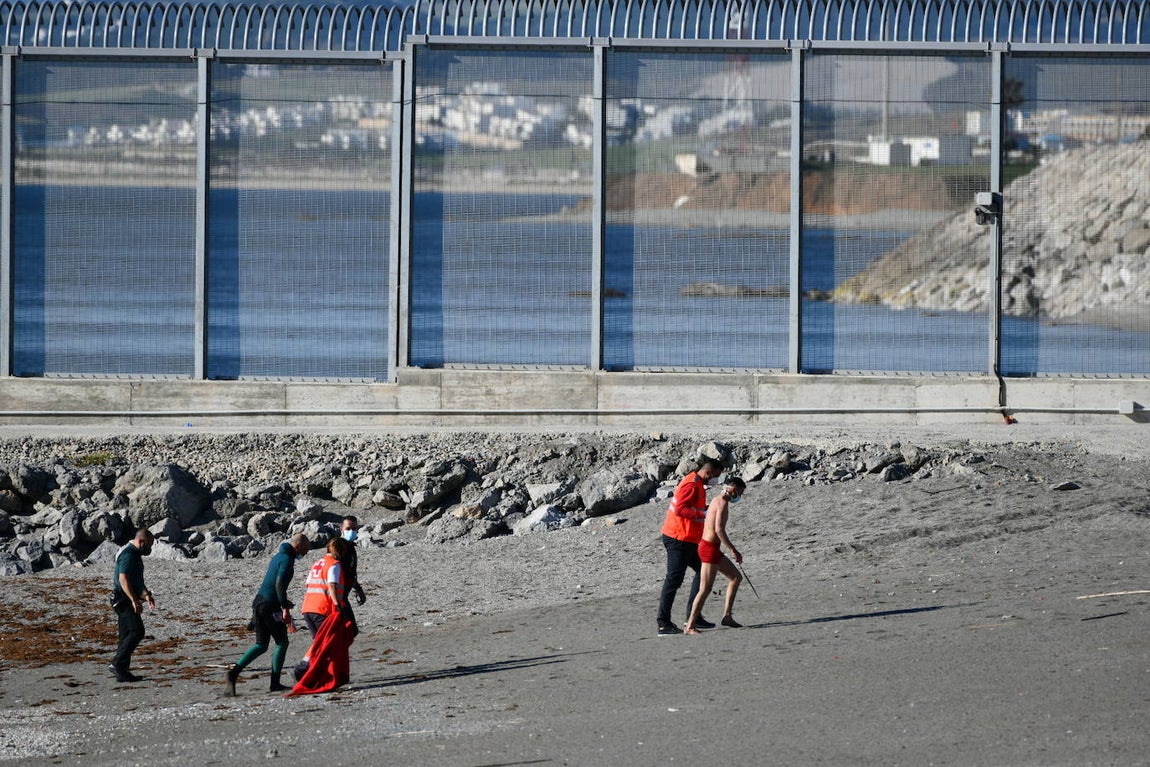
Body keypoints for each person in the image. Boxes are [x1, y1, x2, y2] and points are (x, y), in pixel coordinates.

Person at [225, 533, 310, 696]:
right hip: (269, 606)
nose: (306, 553)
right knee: (282, 642)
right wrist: (284, 605)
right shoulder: (287, 559)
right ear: (298, 546)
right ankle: (275, 683)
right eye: (305, 549)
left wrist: (284, 601)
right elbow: (279, 584)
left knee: (261, 645)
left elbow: (273, 585)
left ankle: (233, 673)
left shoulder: (278, 556)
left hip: (259, 602)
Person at [657, 458, 722, 636]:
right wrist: (705, 513)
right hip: (678, 538)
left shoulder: (696, 482)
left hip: (688, 539)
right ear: (708, 472)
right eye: (716, 476)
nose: (716, 480)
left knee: (702, 571)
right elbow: (680, 509)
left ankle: (693, 616)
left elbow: (694, 507)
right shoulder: (692, 484)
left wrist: (709, 509)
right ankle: (663, 623)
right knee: (673, 579)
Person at [684, 477, 746, 635]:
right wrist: (733, 550)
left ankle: (727, 616)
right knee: (705, 589)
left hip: (713, 548)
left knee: (736, 577)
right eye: (740, 492)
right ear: (733, 490)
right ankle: (690, 626)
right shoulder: (722, 503)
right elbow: (719, 529)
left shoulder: (715, 499)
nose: (740, 496)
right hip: (708, 548)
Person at [292, 536, 351, 682]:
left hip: (308, 607)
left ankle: (307, 668)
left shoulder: (317, 563)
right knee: (326, 643)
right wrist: (338, 606)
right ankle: (305, 669)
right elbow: (331, 585)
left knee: (318, 641)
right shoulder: (334, 564)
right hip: (322, 608)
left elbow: (308, 584)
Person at [109, 529, 155, 683]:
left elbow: (136, 581)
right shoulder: (129, 554)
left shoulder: (134, 554)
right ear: (141, 541)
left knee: (126, 634)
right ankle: (117, 664)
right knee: (137, 631)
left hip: (126, 597)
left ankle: (122, 671)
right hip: (124, 599)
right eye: (148, 545)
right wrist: (134, 600)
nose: (149, 549)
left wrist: (146, 594)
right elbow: (123, 578)